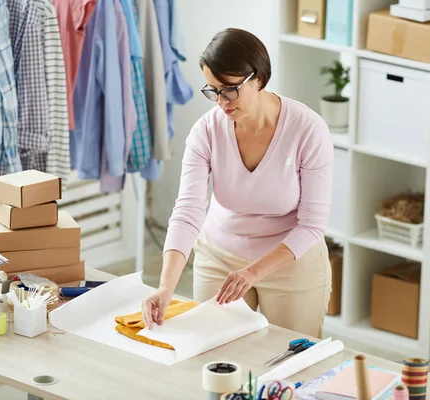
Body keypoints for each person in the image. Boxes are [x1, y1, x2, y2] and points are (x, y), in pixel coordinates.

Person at [141, 28, 334, 338]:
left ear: (258, 78)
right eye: (213, 90)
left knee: (289, 361)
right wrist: (166, 287)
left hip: (291, 261)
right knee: (214, 355)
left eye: (229, 89)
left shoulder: (308, 129)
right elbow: (188, 211)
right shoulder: (206, 131)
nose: (221, 102)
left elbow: (312, 225)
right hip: (220, 255)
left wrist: (253, 271)